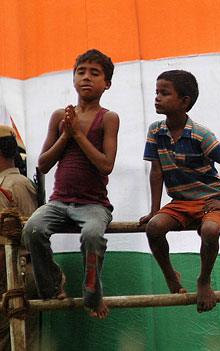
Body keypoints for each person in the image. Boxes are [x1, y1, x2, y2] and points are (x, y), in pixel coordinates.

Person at [21, 49, 120, 319]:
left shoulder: (108, 118)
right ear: (73, 78)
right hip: (59, 202)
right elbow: (42, 164)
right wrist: (66, 136)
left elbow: (106, 165)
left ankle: (92, 295)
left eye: (95, 73)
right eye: (81, 72)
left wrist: (77, 133)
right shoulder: (59, 117)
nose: (86, 77)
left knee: (92, 236)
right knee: (32, 229)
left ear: (106, 84)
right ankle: (53, 286)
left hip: (93, 204)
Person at [139, 70, 220, 313]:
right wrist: (154, 209)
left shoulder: (199, 134)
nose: (157, 97)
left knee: (210, 230)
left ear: (184, 102)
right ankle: (170, 275)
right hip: (180, 201)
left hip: (209, 199)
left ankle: (204, 280)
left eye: (164, 93)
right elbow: (156, 172)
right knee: (153, 228)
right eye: (156, 92)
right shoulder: (156, 131)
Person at [0, 125, 39, 350]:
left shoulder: (15, 185)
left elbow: (26, 235)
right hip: (8, 272)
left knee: (16, 339)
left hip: (17, 272)